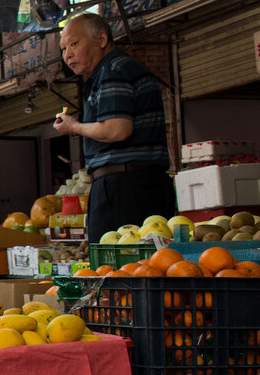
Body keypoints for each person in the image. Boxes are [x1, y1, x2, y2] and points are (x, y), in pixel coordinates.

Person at [53, 13, 175, 242]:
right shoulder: (118, 69)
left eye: (74, 44)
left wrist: (75, 127)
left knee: (117, 269)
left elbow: (117, 129)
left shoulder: (112, 71)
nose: (67, 54)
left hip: (125, 189)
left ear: (101, 39)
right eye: (63, 48)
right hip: (141, 186)